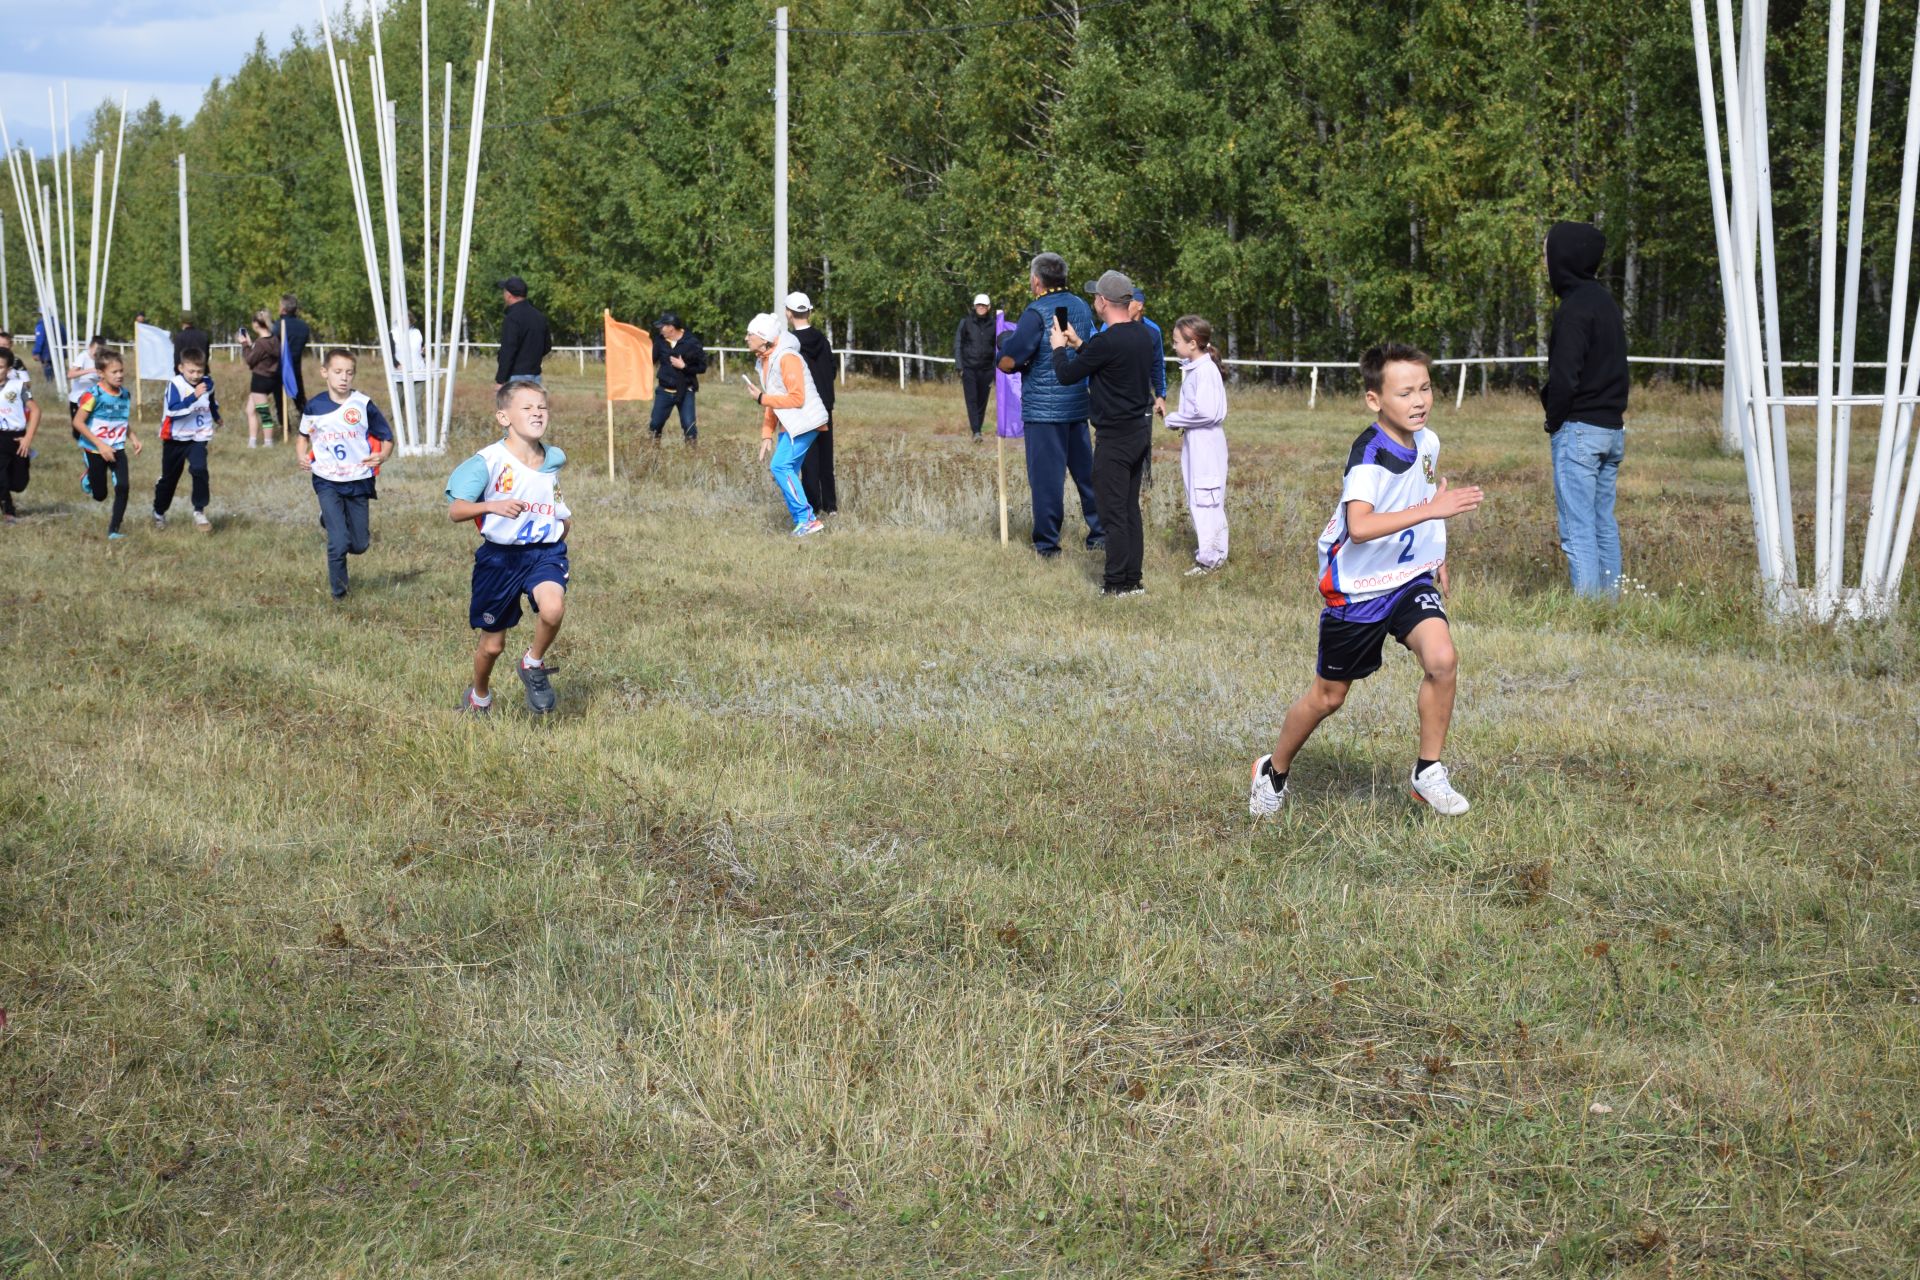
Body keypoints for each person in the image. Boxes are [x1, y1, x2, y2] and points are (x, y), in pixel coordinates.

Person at [1248, 343, 1484, 819]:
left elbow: (1425, 495)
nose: (1418, 401)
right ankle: (1272, 771)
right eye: (1404, 393)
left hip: (1408, 580)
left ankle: (1427, 773)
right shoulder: (1369, 455)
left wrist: (1435, 553)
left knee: (1443, 659)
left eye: (1425, 388)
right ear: (1375, 400)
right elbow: (1360, 525)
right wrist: (1431, 510)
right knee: (1328, 697)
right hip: (1357, 590)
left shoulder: (1429, 442)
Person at [446, 381, 571, 716]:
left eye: (542, 407)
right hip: (500, 560)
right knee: (492, 645)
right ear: (504, 417)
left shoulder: (554, 458)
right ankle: (479, 696)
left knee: (553, 609)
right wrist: (491, 507)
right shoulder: (487, 461)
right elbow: (456, 510)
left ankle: (532, 664)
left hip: (545, 553)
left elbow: (554, 501)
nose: (537, 413)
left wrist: (562, 525)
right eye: (527, 407)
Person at [1051, 271, 1159, 596]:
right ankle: (1132, 580)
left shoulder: (1107, 341)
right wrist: (1080, 344)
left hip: (1114, 438)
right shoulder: (1142, 335)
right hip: (1139, 432)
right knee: (1129, 509)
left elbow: (1067, 375)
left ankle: (1115, 585)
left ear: (1102, 302)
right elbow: (1109, 363)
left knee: (1112, 512)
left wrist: (1059, 347)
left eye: (1094, 296)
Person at [1542, 220, 1630, 599]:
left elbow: (1565, 377)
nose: (1545, 261)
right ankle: (1609, 603)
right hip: (1612, 430)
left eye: (1547, 252)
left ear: (1564, 258)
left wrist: (1553, 418)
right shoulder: (1605, 304)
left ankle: (1588, 608)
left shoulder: (1573, 309)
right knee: (1602, 523)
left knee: (1577, 527)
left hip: (1579, 430)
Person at [996, 252, 1104, 558]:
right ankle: (1100, 534)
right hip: (1076, 407)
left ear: (1036, 280)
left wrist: (1005, 341)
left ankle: (1047, 546)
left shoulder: (1036, 312)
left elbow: (1009, 360)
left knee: (1046, 482)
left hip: (1044, 412)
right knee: (1088, 477)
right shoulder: (1081, 306)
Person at [300, 349, 394, 599]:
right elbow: (303, 435)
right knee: (338, 542)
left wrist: (383, 455)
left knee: (360, 544)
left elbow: (387, 437)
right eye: (338, 372)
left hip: (359, 479)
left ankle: (326, 519)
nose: (344, 378)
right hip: (327, 479)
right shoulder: (315, 406)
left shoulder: (363, 404)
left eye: (349, 373)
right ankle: (339, 594)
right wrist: (301, 454)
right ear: (325, 373)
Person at [744, 312, 828, 537]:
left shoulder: (787, 358)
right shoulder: (764, 360)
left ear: (763, 338)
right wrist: (766, 435)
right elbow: (773, 399)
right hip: (791, 424)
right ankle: (802, 521)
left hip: (805, 422)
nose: (746, 338)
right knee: (785, 468)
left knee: (780, 467)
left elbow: (796, 398)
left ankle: (807, 519)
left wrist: (762, 398)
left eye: (750, 333)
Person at [1161, 315, 1228, 574]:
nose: (1174, 346)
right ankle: (1211, 552)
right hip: (1198, 439)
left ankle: (1210, 557)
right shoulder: (1197, 368)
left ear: (1192, 343)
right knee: (1200, 496)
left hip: (1206, 442)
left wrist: (1175, 419)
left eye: (1177, 341)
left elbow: (1206, 412)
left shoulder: (1205, 371)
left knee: (1206, 498)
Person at [152, 348, 222, 534]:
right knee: (170, 479)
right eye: (191, 371)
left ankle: (199, 510)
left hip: (198, 437)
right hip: (175, 438)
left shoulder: (207, 383)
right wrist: (193, 396)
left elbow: (211, 401)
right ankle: (159, 512)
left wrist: (216, 416)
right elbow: (172, 411)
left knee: (199, 469)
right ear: (181, 368)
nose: (195, 376)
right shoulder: (174, 384)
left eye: (199, 371)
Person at [73, 348, 139, 540]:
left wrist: (133, 437)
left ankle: (114, 530)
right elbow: (78, 422)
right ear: (101, 374)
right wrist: (100, 445)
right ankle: (88, 478)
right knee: (100, 495)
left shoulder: (125, 394)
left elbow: (121, 420)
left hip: (117, 448)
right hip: (94, 449)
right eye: (114, 372)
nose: (119, 375)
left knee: (123, 487)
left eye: (121, 371)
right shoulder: (93, 395)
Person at [788, 291, 839, 515]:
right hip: (825, 405)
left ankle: (813, 506)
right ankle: (831, 506)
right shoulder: (824, 340)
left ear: (789, 313)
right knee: (826, 457)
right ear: (809, 311)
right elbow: (832, 370)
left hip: (804, 406)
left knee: (809, 459)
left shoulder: (790, 343)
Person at [648, 312, 707, 443]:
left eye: (662, 326)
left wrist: (684, 366)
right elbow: (650, 360)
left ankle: (691, 457)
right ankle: (651, 456)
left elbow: (702, 367)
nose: (660, 329)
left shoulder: (692, 342)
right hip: (664, 391)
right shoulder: (660, 340)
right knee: (655, 425)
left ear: (671, 327)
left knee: (689, 427)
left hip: (686, 391)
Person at [0, 346, 39, 523]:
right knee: (1, 479)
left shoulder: (18, 386)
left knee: (19, 483)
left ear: (8, 370)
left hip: (17, 438)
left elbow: (36, 411)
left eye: (1, 366)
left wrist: (28, 438)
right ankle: (8, 510)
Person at [494, 275, 552, 389]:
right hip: (536, 376)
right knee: (531, 406)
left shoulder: (512, 318)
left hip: (516, 377)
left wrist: (500, 380)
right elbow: (547, 346)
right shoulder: (539, 316)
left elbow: (508, 350)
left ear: (509, 295)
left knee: (515, 407)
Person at [955, 292, 996, 440]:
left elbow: (998, 346)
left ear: (988, 307)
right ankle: (976, 431)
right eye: (979, 305)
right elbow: (958, 343)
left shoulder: (995, 325)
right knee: (971, 400)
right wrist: (959, 366)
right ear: (974, 306)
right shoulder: (965, 322)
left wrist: (995, 371)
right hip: (969, 368)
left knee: (982, 401)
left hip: (987, 370)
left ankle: (978, 428)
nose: (981, 307)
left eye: (984, 305)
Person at [238, 310, 282, 447]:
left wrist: (245, 345)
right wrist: (252, 345)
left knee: (263, 412)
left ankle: (268, 442)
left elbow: (250, 360)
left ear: (256, 324)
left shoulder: (261, 343)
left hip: (260, 380)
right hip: (272, 378)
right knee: (250, 410)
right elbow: (262, 356)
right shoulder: (275, 339)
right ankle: (252, 441)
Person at [279, 294, 313, 429]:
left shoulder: (279, 325)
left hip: (279, 368)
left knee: (279, 400)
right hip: (296, 367)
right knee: (300, 400)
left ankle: (285, 427)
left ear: (283, 309)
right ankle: (309, 425)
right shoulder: (304, 327)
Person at [391, 310, 431, 423]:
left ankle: (418, 429)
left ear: (410, 320)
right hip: (400, 375)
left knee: (416, 404)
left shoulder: (417, 333)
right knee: (398, 403)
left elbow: (422, 350)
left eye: (406, 319)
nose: (404, 322)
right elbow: (390, 353)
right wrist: (397, 364)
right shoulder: (393, 334)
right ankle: (392, 428)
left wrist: (425, 352)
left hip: (419, 373)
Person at [33, 315, 55, 381]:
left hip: (46, 353)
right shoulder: (60, 324)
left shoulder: (41, 325)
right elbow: (65, 338)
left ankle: (50, 385)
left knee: (48, 371)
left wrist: (36, 352)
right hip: (59, 353)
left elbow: (39, 340)